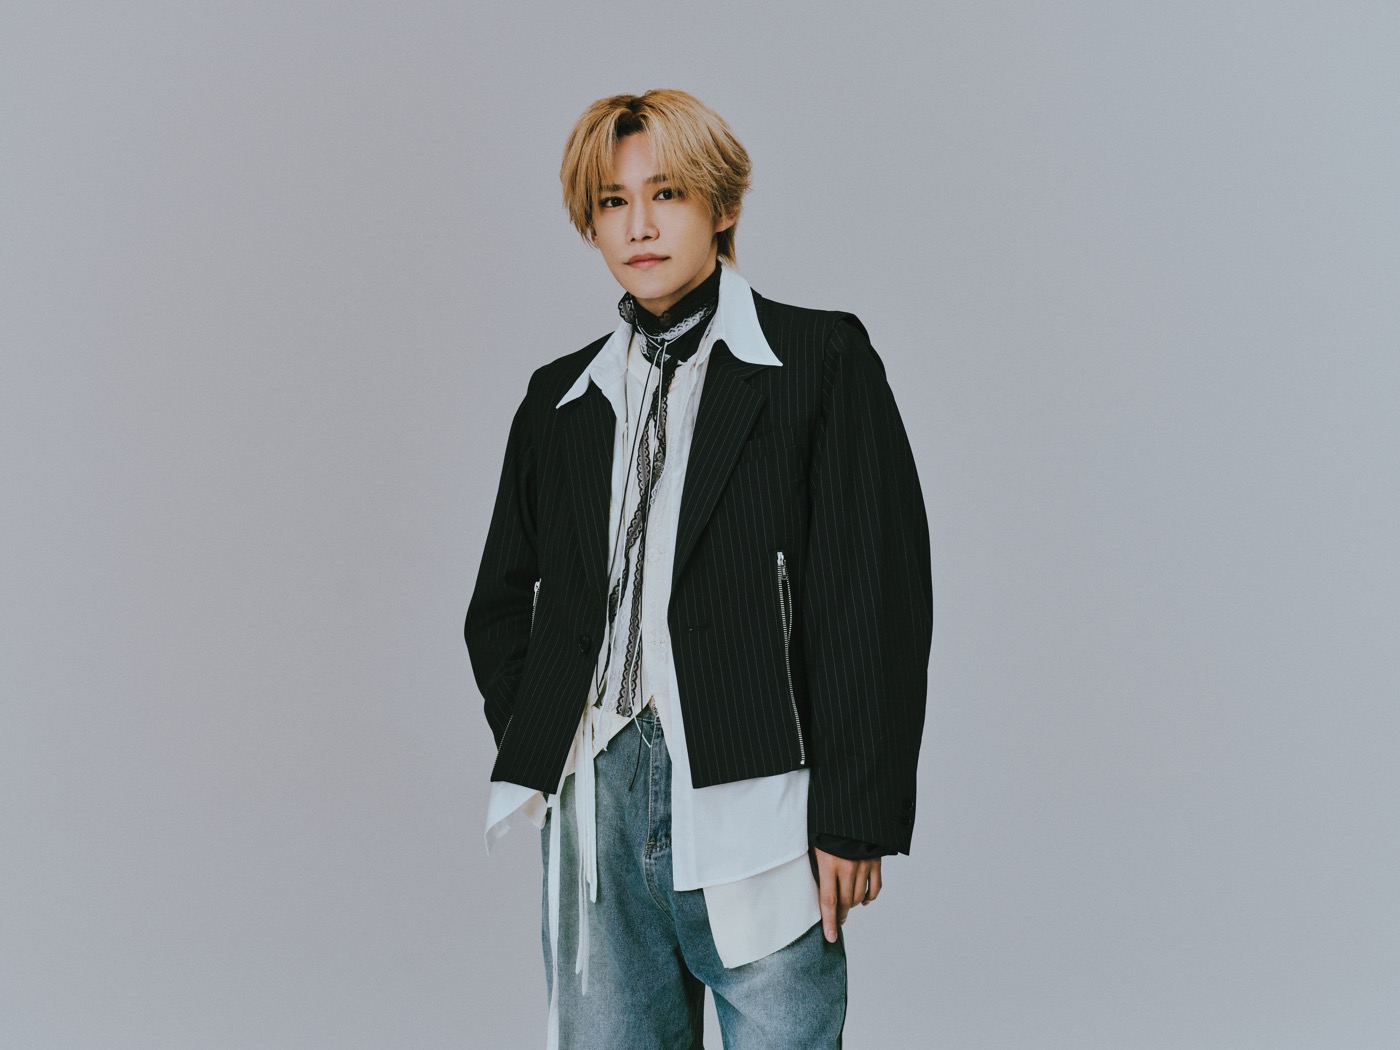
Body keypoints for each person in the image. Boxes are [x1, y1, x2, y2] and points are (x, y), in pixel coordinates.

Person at [466, 89, 932, 1050]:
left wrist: (855, 817)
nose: (638, 225)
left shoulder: (818, 361)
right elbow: (499, 603)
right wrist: (552, 738)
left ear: (723, 205)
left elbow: (871, 598)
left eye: (666, 193)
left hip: (756, 797)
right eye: (612, 202)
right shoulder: (559, 399)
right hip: (595, 806)